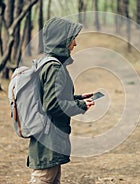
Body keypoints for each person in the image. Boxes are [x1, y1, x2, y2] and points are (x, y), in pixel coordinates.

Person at [27, 17, 94, 184]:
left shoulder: (49, 63)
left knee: (53, 179)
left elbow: (52, 98)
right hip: (48, 140)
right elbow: (52, 105)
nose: (75, 44)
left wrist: (77, 99)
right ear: (62, 41)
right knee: (43, 179)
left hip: (51, 138)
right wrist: (80, 105)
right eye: (72, 39)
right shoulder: (53, 67)